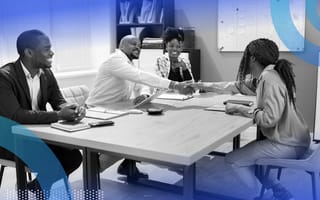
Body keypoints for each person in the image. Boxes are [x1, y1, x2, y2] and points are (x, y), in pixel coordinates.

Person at [199, 38, 310, 200]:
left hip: (288, 144)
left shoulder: (268, 79)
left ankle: (261, 196)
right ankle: (279, 191)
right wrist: (201, 85)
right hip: (296, 138)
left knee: (233, 160)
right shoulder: (272, 73)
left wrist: (240, 108)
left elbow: (268, 120)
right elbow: (233, 86)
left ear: (252, 58)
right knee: (251, 159)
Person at [86, 35, 194, 180]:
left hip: (116, 109)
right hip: (96, 111)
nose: (138, 47)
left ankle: (129, 166)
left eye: (139, 45)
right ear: (122, 45)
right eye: (133, 44)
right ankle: (94, 169)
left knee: (142, 126)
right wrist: (174, 84)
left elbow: (141, 84)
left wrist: (143, 94)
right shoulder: (115, 60)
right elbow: (140, 76)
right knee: (132, 136)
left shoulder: (128, 63)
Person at [0, 30, 84, 198]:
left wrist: (72, 108)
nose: (52, 52)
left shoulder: (46, 72)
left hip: (39, 136)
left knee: (74, 156)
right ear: (29, 52)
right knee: (52, 160)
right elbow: (16, 116)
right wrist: (59, 116)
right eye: (47, 49)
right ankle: (39, 191)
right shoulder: (4, 77)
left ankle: (34, 189)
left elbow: (58, 101)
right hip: (10, 140)